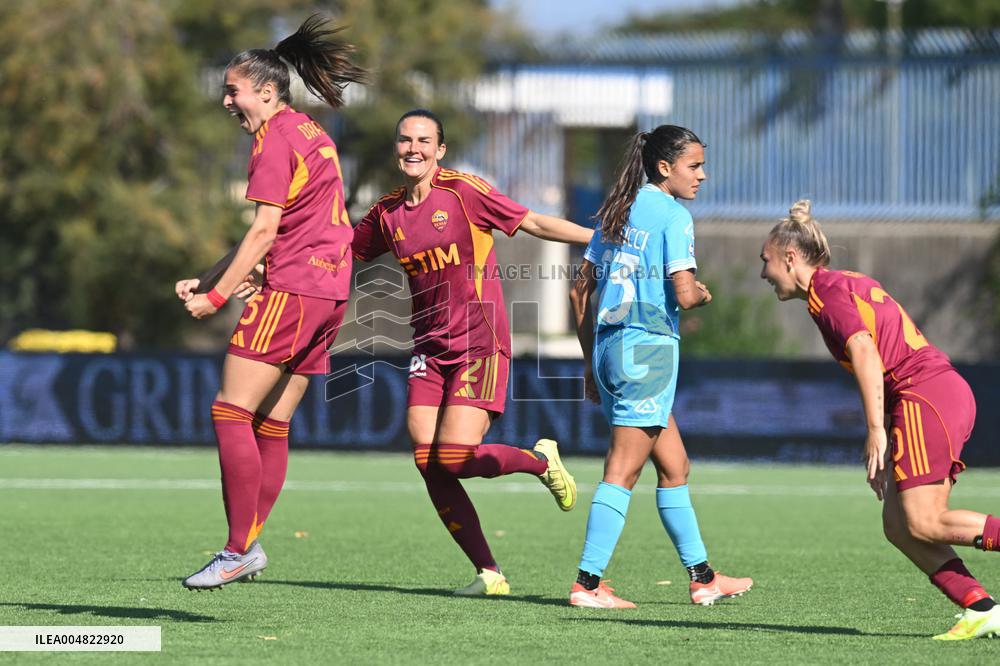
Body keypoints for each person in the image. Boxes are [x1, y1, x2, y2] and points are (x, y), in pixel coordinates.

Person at [350, 109, 590, 596]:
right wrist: (266, 273)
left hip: (480, 343)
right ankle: (490, 574)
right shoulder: (387, 213)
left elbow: (535, 222)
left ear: (440, 149)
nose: (412, 148)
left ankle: (541, 462)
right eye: (404, 140)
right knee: (426, 458)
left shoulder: (464, 192)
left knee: (455, 456)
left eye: (424, 140)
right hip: (428, 348)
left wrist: (600, 240)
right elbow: (340, 255)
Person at [174, 15, 366, 590]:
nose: (226, 101)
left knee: (230, 411)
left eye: (231, 90)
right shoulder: (310, 132)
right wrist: (208, 274)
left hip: (296, 290)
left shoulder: (273, 140)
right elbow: (283, 229)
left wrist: (216, 295)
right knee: (273, 421)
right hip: (331, 292)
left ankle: (237, 550)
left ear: (266, 88)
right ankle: (247, 545)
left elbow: (263, 234)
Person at [760, 200, 1000, 640]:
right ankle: (982, 608)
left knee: (925, 522)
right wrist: (887, 440)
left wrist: (875, 432)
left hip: (925, 396)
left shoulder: (828, 292)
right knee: (899, 525)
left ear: (789, 257)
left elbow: (867, 352)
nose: (764, 272)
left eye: (766, 261)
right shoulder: (837, 283)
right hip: (933, 396)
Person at [567, 125, 753, 608]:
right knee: (623, 469)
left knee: (674, 466)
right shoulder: (673, 214)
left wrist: (591, 362)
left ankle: (703, 577)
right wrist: (703, 294)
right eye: (694, 166)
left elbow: (578, 289)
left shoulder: (618, 212)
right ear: (664, 167)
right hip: (645, 350)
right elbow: (685, 294)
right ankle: (587, 584)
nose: (702, 176)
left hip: (611, 348)